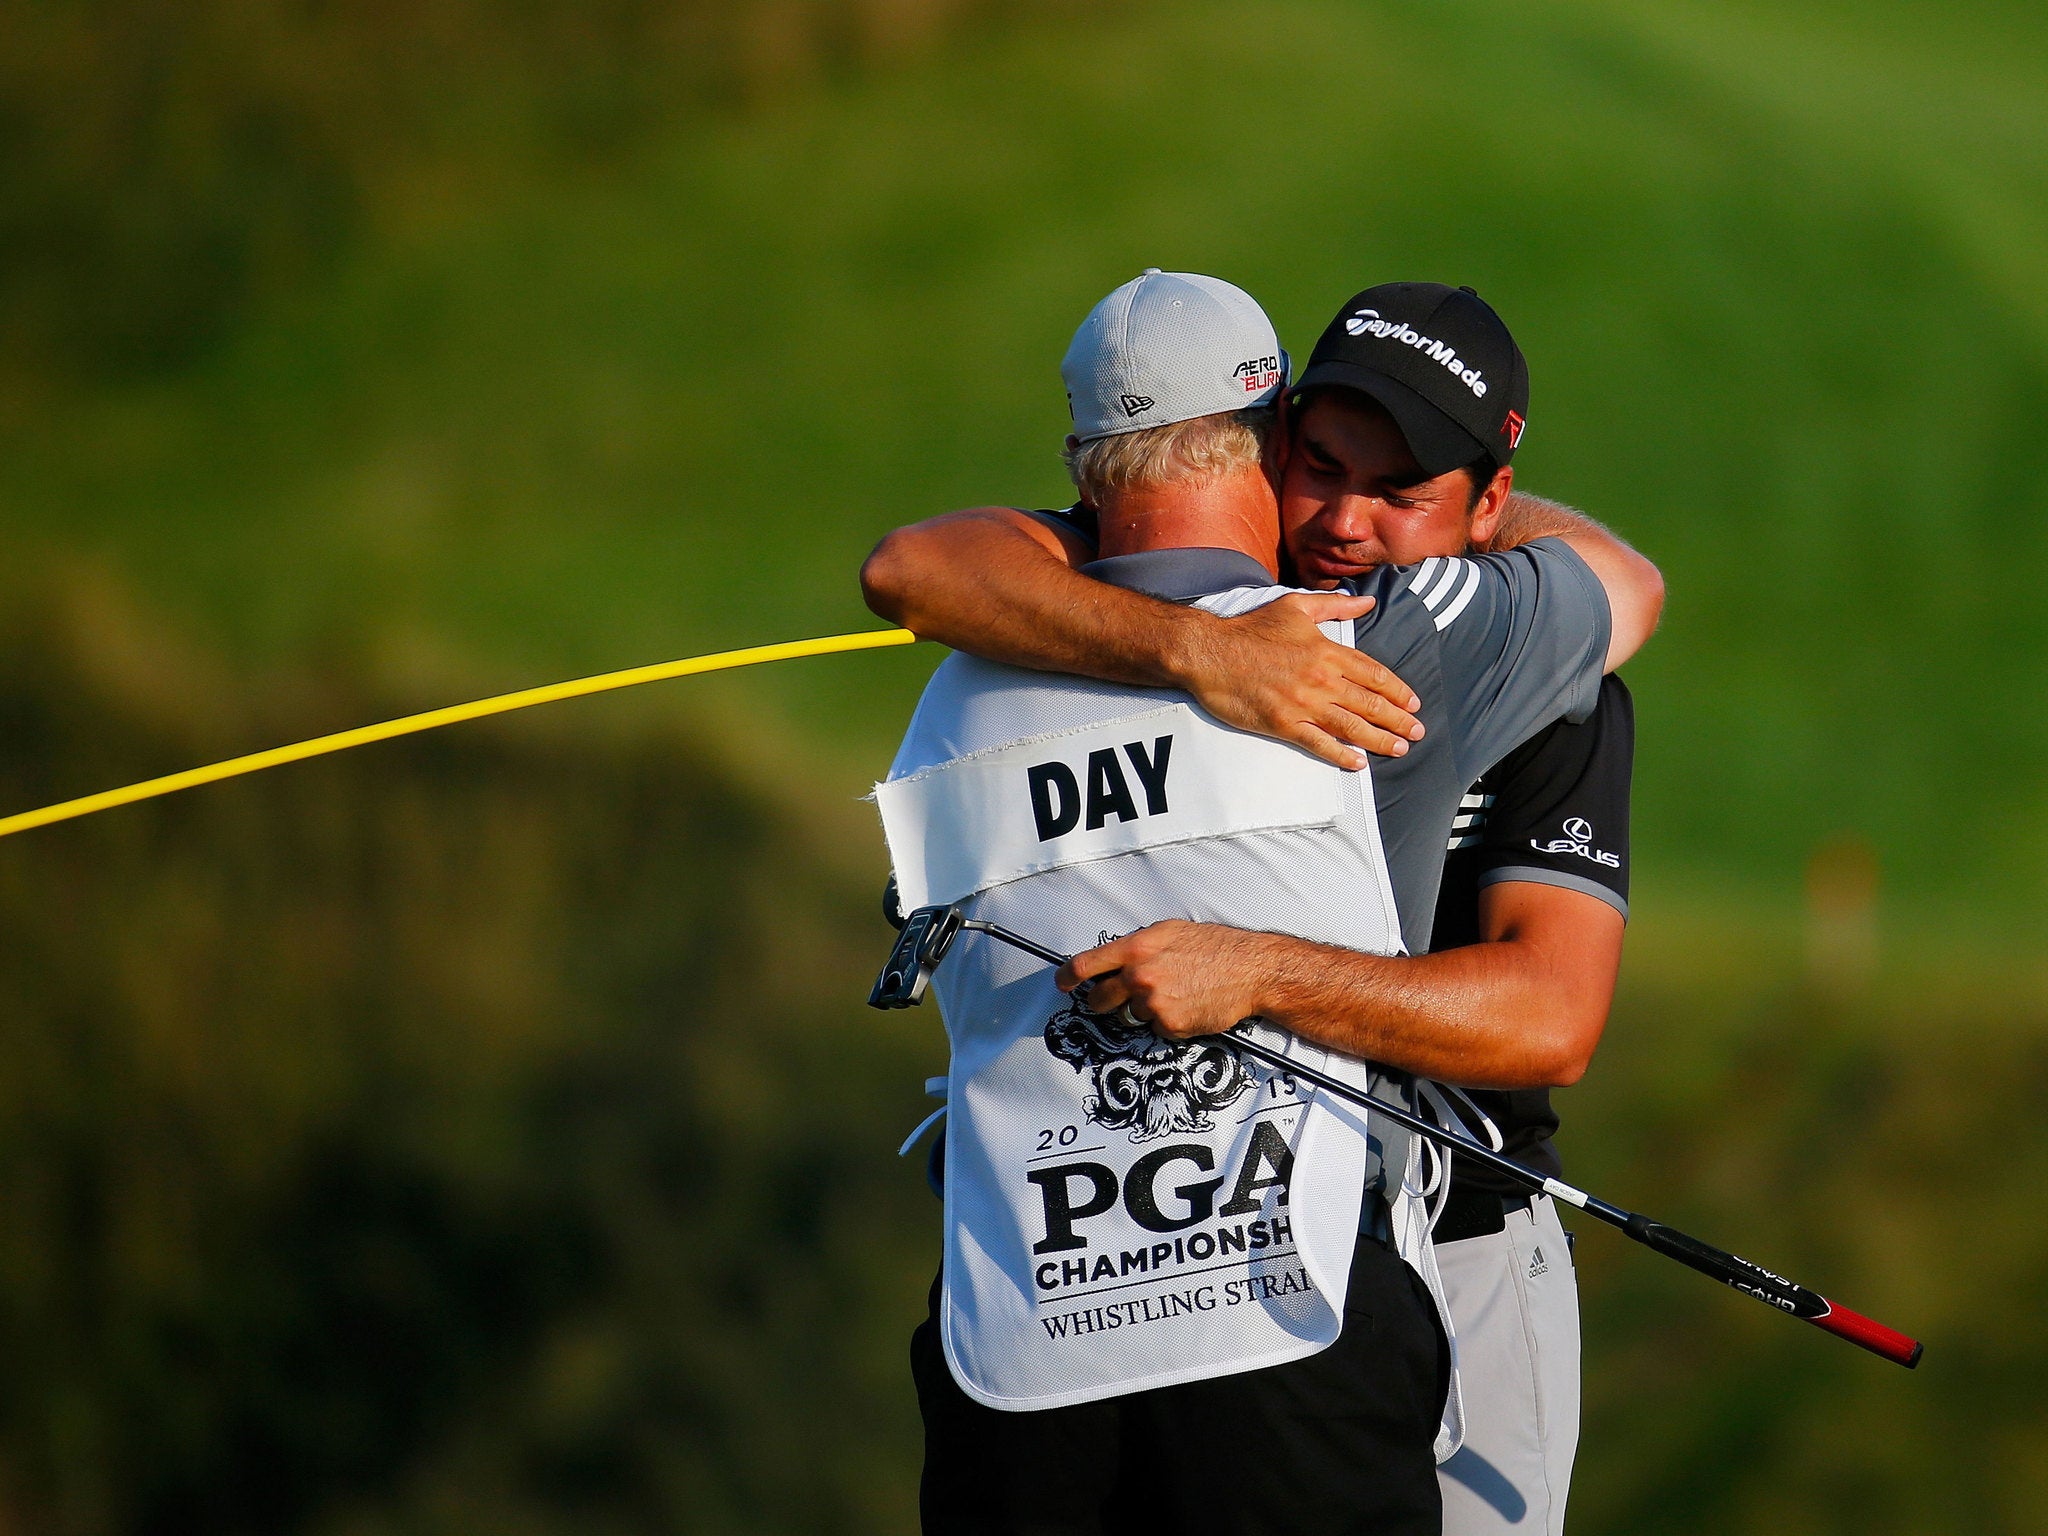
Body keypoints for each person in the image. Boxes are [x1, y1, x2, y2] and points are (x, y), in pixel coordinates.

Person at [869, 270, 1660, 1535]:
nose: (1345, 522)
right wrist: (1209, 650)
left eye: (1400, 492)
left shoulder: (966, 674)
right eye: (1320, 463)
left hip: (1124, 1290)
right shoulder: (1387, 635)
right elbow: (1623, 581)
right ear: (1266, 435)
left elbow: (908, 566)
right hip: (1283, 1319)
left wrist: (1258, 966)